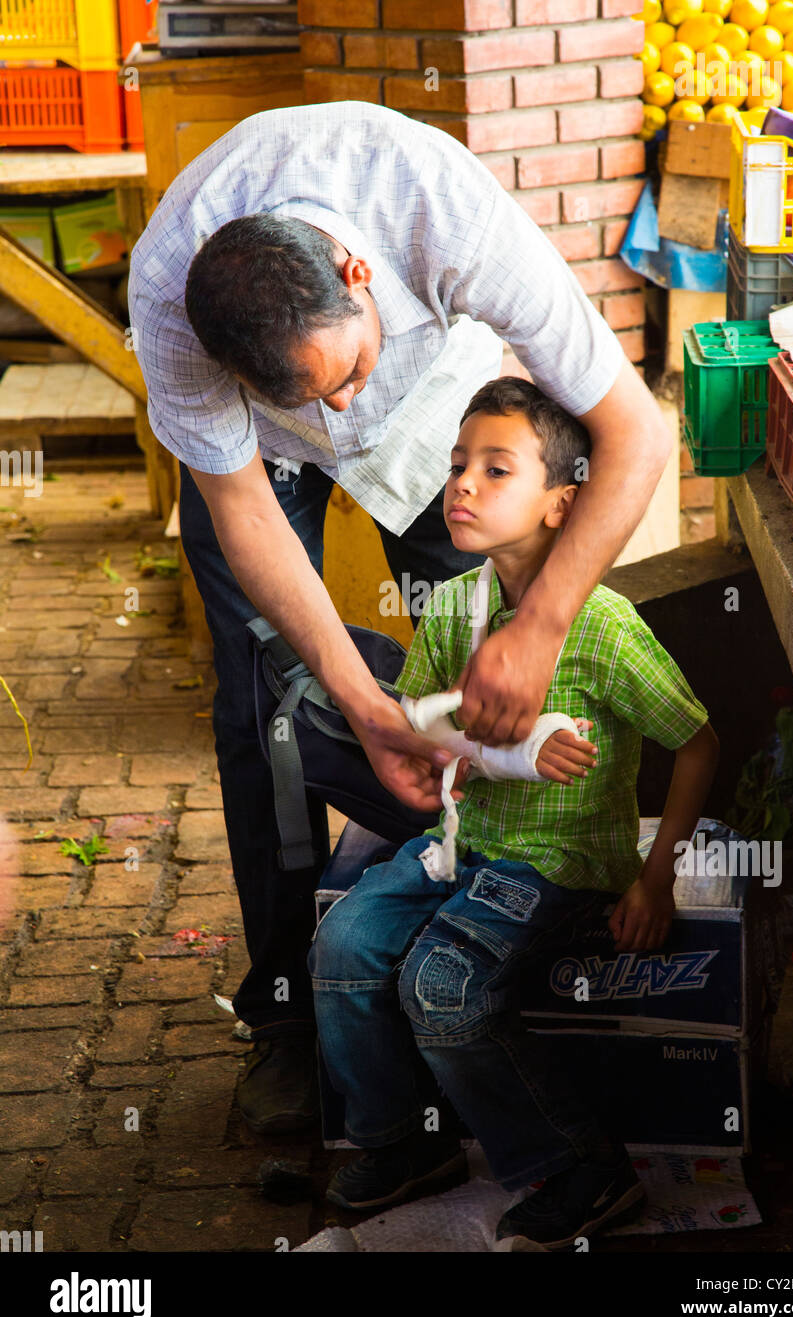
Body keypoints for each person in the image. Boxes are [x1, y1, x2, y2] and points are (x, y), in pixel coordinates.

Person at [127, 100, 672, 1134]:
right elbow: (242, 510)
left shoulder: (435, 202)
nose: (340, 412)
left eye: (347, 375)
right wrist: (362, 704)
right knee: (264, 714)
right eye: (316, 395)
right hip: (256, 453)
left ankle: (519, 953)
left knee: (486, 667)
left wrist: (538, 623)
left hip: (431, 406)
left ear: (358, 273)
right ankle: (288, 1018)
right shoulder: (169, 302)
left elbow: (631, 435)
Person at [309, 378, 719, 1249]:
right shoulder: (452, 607)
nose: (462, 484)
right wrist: (472, 749)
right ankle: (400, 1142)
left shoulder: (603, 628)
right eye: (459, 465)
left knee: (440, 985)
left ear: (560, 506)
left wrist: (655, 877)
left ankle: (581, 1169)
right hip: (464, 844)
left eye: (496, 470)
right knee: (341, 946)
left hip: (558, 862)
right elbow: (421, 732)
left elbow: (698, 744)